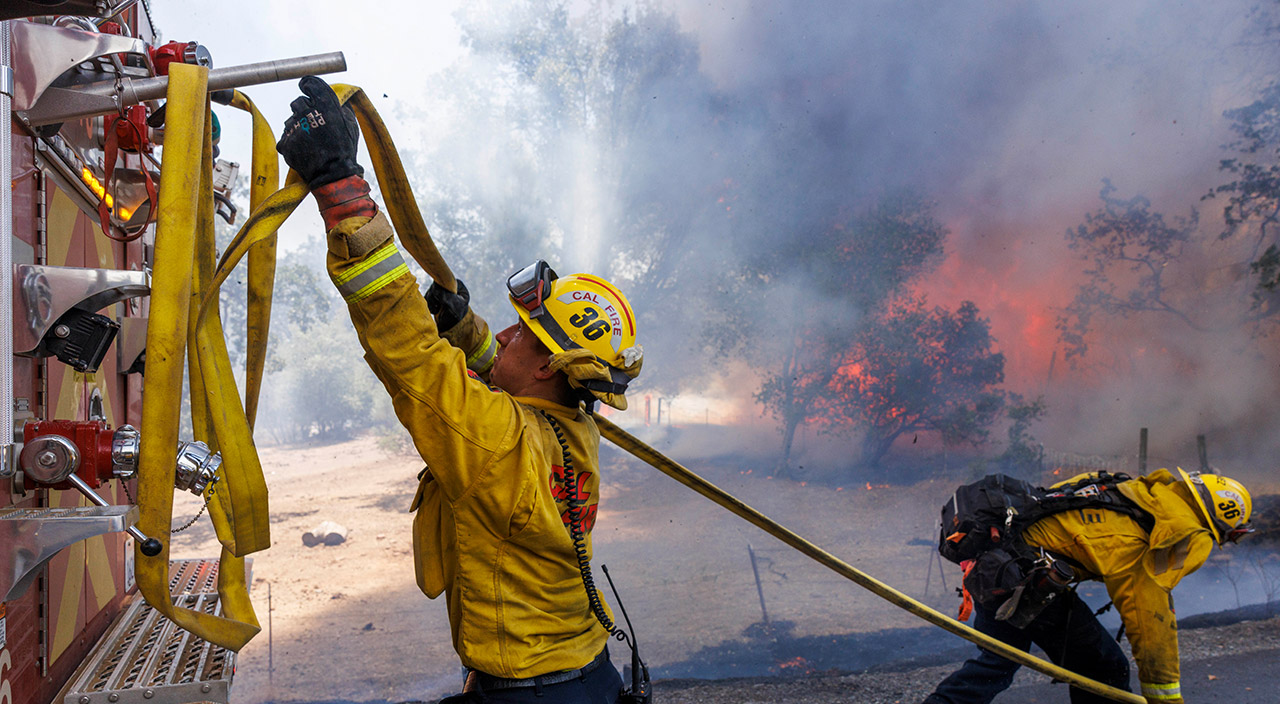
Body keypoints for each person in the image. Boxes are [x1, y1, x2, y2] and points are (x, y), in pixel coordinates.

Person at [276, 76, 644, 703]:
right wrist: (464, 327)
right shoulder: (573, 424)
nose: (502, 334)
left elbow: (408, 350)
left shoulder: (497, 443)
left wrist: (341, 193)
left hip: (528, 696)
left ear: (550, 367)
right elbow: (502, 376)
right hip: (589, 676)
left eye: (521, 333)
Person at [924, 468, 1254, 704]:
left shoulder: (1135, 494)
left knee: (998, 662)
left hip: (993, 567)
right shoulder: (1164, 537)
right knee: (1105, 670)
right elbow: (1149, 621)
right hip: (1026, 580)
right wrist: (1166, 697)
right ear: (1223, 529)